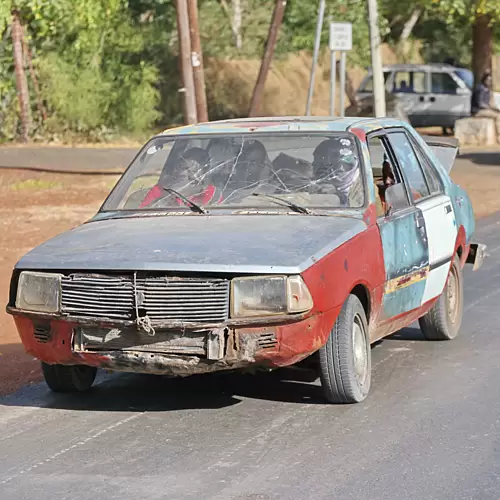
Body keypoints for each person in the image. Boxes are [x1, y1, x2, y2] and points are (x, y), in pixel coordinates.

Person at [139, 147, 220, 208]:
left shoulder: (210, 192)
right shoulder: (162, 189)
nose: (185, 173)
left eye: (193, 169)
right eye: (183, 167)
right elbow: (141, 213)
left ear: (203, 172)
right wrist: (163, 201)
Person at [312, 138, 363, 207]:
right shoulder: (313, 182)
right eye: (316, 159)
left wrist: (336, 195)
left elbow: (360, 211)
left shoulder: (363, 187)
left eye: (320, 160)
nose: (313, 164)